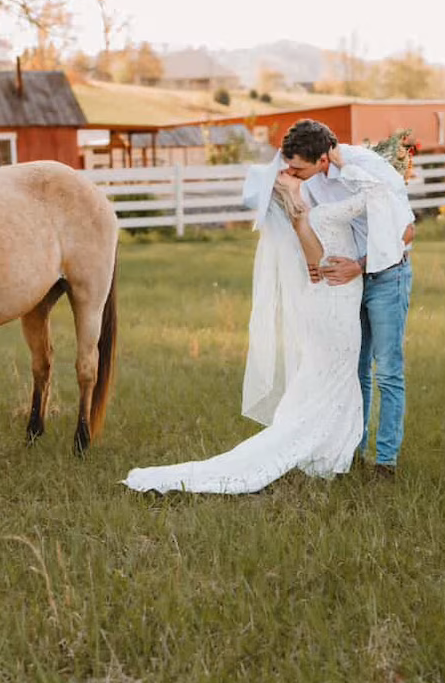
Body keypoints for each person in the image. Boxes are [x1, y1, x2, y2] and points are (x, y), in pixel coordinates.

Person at [122, 147, 388, 494]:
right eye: (293, 173)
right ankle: (324, 455)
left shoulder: (301, 213)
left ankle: (327, 453)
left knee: (327, 379)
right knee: (337, 379)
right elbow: (374, 195)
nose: (299, 177)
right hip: (336, 307)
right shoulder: (323, 214)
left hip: (323, 304)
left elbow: (313, 268)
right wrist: (343, 162)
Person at [280, 120, 415, 479]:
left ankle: (386, 462)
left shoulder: (369, 169)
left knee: (387, 370)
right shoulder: (310, 183)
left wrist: (359, 265)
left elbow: (406, 230)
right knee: (355, 369)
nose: (291, 172)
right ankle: (351, 449)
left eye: (298, 167)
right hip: (347, 285)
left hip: (387, 274)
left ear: (323, 159)